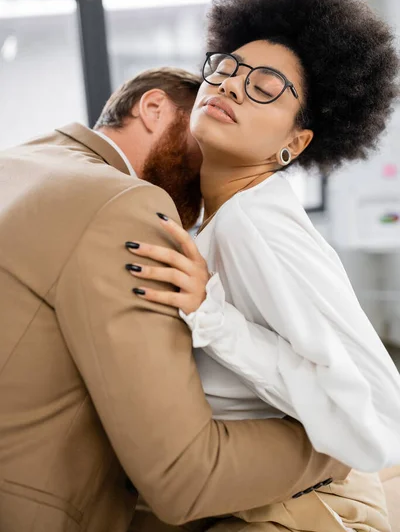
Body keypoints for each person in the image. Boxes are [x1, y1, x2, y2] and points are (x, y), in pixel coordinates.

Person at [0, 67, 348, 532]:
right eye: (204, 142)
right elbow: (187, 476)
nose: (213, 175)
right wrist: (346, 442)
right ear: (153, 107)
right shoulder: (124, 204)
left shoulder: (19, 163)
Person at [124, 0, 400, 532]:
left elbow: (379, 410)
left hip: (306, 509)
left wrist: (212, 316)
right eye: (226, 69)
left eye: (267, 86)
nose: (231, 87)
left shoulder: (254, 222)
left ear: (294, 144)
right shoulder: (224, 213)